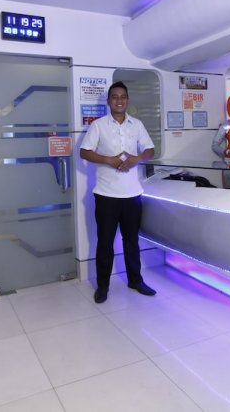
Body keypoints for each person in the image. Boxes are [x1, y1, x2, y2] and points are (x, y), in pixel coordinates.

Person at [80, 81, 157, 304]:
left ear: (128, 100)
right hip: (106, 195)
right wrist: (108, 160)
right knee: (105, 243)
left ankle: (135, 280)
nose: (119, 100)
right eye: (114, 97)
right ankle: (103, 286)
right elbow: (84, 152)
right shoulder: (98, 125)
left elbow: (150, 150)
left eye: (123, 97)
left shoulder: (137, 125)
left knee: (131, 241)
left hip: (132, 195)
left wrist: (136, 158)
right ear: (108, 101)